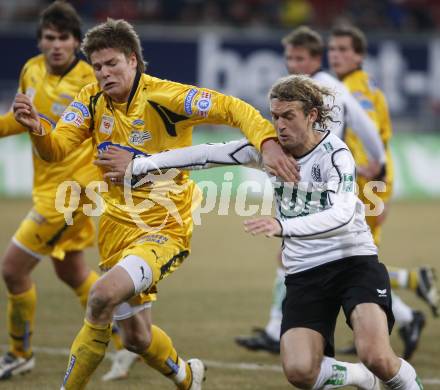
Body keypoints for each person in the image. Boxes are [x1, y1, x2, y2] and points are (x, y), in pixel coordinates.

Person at [13, 18, 297, 389]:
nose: (103, 73)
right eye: (97, 66)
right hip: (115, 226)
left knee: (100, 297)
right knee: (136, 338)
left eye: (112, 63)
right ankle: (187, 376)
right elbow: (57, 149)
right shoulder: (90, 99)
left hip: (164, 227)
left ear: (133, 60)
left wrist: (267, 142)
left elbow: (232, 108)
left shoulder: (166, 98)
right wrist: (38, 130)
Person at [99, 74, 425, 390]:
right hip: (305, 271)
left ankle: (402, 381)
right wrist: (139, 165)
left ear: (311, 115)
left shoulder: (335, 154)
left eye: (288, 116)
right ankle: (359, 378)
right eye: (275, 116)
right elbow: (203, 155)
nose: (279, 125)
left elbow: (341, 214)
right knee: (300, 373)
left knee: (376, 356)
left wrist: (283, 226)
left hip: (354, 262)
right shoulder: (266, 149)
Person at [236, 25, 438, 359]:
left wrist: (378, 174)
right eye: (288, 57)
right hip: (326, 182)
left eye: (300, 57)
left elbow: (364, 126)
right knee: (334, 258)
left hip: (342, 186)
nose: (293, 63)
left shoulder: (334, 89)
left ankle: (280, 329)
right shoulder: (314, 91)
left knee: (343, 258)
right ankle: (408, 297)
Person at [0, 1, 137, 382]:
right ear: (40, 41)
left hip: (72, 192)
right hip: (45, 186)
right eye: (49, 37)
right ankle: (131, 337)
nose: (56, 44)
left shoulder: (92, 80)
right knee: (72, 271)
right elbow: (22, 119)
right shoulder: (31, 69)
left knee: (12, 269)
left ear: (77, 42)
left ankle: (19, 353)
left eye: (64, 38)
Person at [328, 24, 438, 359]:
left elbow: (368, 131)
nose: (336, 55)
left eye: (344, 49)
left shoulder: (356, 89)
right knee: (352, 260)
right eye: (332, 49)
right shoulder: (351, 85)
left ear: (359, 55)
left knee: (357, 262)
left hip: (368, 182)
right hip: (368, 182)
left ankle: (399, 318)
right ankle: (406, 307)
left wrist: (361, 167)